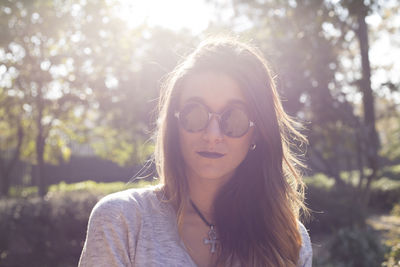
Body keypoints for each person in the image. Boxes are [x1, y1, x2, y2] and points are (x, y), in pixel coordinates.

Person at [79, 37, 312, 267]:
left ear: (258, 131)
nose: (212, 134)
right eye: (195, 113)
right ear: (174, 121)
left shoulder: (289, 239)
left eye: (234, 117)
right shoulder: (122, 220)